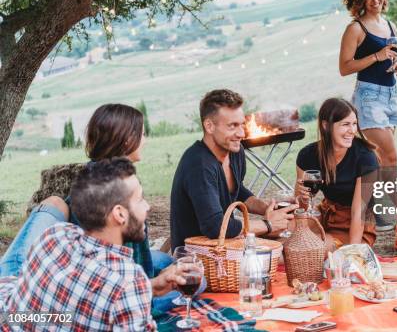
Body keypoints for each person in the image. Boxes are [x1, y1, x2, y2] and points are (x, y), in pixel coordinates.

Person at [0, 104, 177, 311]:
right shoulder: (110, 189)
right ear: (128, 139)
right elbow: (112, 268)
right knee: (190, 283)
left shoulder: (94, 175)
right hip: (102, 277)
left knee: (167, 261)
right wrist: (150, 285)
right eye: (143, 134)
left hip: (99, 270)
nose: (145, 140)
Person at [0, 158, 190, 331]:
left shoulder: (54, 235)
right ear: (120, 214)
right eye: (140, 199)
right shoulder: (129, 282)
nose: (147, 206)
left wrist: (152, 287)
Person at [170, 89, 297, 249]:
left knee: (297, 238)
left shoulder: (235, 152)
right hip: (199, 254)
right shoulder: (199, 164)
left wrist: (269, 208)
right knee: (286, 251)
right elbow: (214, 226)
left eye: (242, 124)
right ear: (209, 126)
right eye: (232, 126)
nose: (241, 133)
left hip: (224, 244)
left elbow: (237, 191)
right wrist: (268, 224)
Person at [338, 0, 397, 231]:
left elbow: (389, 56)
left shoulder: (388, 24)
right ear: (360, 0)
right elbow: (344, 67)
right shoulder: (355, 28)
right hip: (368, 97)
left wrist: (396, 63)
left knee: (377, 159)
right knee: (390, 156)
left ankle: (374, 212)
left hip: (390, 95)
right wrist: (377, 56)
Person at [295, 98, 379, 246]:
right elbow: (301, 209)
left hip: (354, 225)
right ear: (326, 125)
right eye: (345, 124)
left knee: (312, 247)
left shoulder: (366, 158)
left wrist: (353, 252)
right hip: (326, 215)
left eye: (354, 124)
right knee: (287, 234)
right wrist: (303, 199)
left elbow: (358, 213)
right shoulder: (307, 155)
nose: (352, 130)